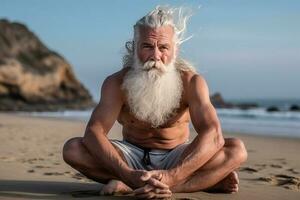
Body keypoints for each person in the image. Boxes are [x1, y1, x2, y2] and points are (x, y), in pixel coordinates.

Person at [63, 6, 247, 199]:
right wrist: (128, 174)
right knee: (73, 149)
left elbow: (214, 135)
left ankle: (152, 186)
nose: (156, 55)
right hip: (129, 157)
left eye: (163, 47)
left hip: (177, 156)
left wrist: (171, 177)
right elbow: (94, 132)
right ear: (135, 47)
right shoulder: (116, 83)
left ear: (175, 50)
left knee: (235, 150)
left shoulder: (191, 82)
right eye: (147, 46)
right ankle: (197, 183)